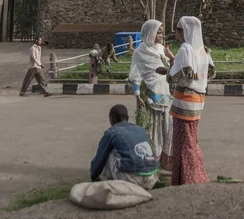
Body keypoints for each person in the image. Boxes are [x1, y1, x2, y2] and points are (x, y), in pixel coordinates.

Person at [163, 16, 215, 186]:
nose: (177, 34)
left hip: (183, 101)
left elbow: (181, 74)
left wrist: (168, 74)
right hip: (198, 100)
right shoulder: (204, 51)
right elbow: (210, 73)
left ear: (185, 31)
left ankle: (190, 177)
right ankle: (192, 175)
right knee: (191, 138)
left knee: (183, 141)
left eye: (178, 30)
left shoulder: (186, 48)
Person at [128, 20, 173, 171]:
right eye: (158, 33)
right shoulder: (140, 52)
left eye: (161, 33)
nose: (161, 36)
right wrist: (137, 94)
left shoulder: (161, 49)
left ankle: (165, 161)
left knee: (166, 128)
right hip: (149, 97)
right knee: (152, 129)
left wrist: (170, 59)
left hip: (166, 93)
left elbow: (168, 69)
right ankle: (150, 162)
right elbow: (136, 74)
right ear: (150, 34)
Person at [90, 104, 158, 189]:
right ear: (128, 117)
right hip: (151, 179)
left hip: (129, 180)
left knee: (108, 151)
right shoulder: (141, 130)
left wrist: (94, 176)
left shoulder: (111, 132)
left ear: (111, 119)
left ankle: (112, 184)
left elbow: (99, 159)